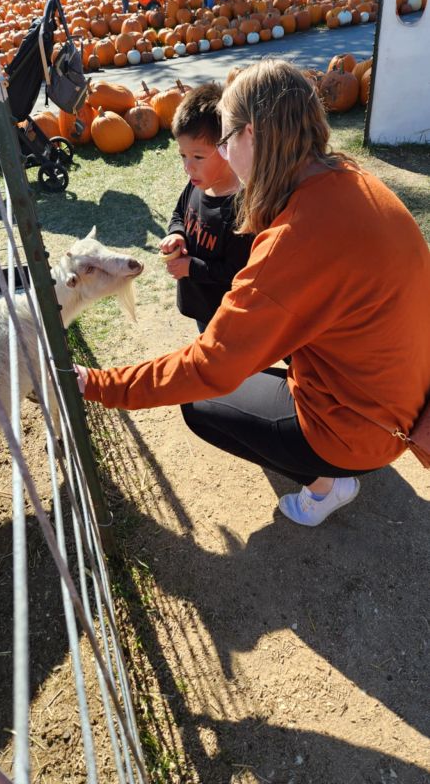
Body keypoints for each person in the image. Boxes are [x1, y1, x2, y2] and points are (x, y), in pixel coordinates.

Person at [75, 60, 430, 528]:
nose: (222, 152)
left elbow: (208, 367)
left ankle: (329, 482)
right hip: (405, 397)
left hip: (361, 429)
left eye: (223, 141)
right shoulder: (358, 180)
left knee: (199, 405)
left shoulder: (294, 240)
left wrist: (99, 385)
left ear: (253, 136)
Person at [159, 82, 253, 333]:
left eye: (198, 157)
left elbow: (237, 272)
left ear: (225, 148)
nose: (188, 166)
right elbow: (179, 213)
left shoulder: (240, 208)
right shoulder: (196, 185)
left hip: (226, 316)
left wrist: (191, 267)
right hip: (201, 307)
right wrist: (176, 234)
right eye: (183, 155)